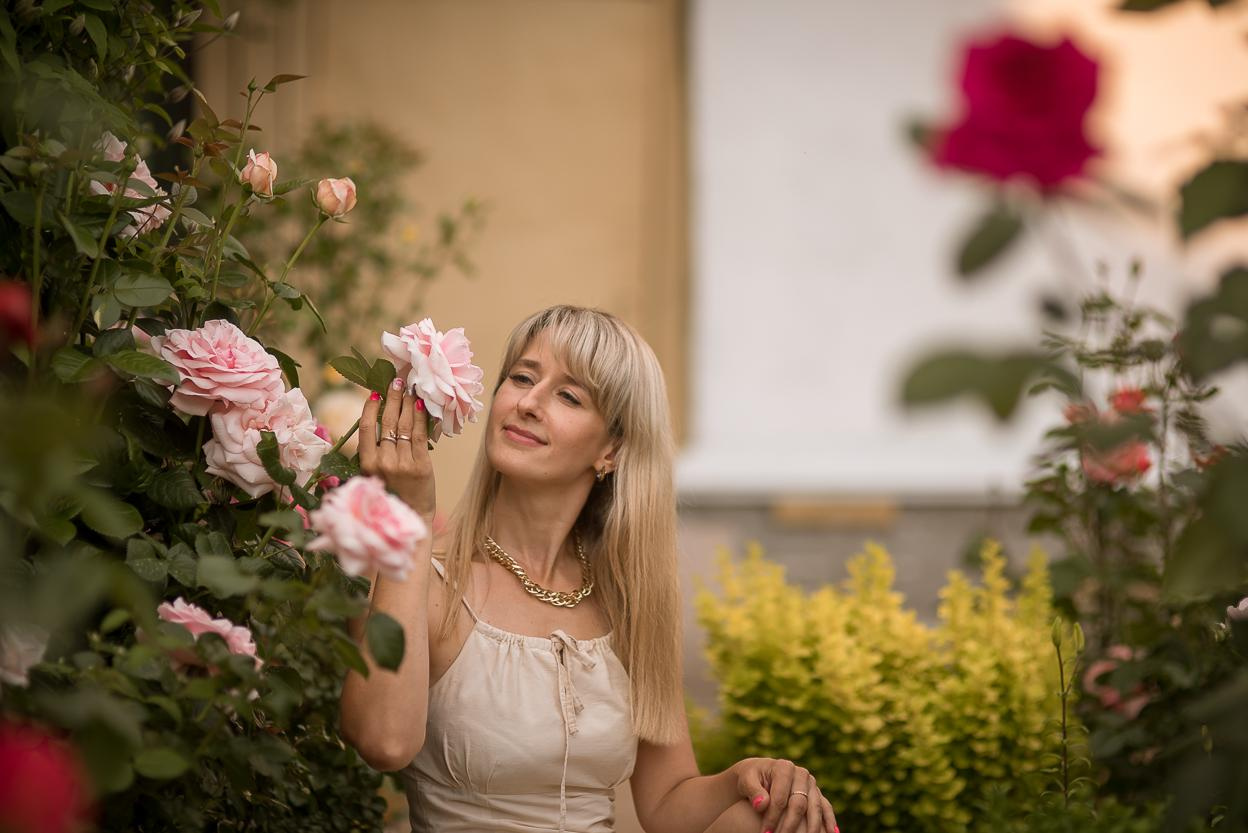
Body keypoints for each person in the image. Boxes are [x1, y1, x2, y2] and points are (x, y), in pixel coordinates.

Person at [340, 306, 839, 833]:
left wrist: (742, 778)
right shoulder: (425, 578)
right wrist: (410, 520)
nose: (528, 403)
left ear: (612, 450)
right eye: (522, 378)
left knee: (769, 821)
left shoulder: (626, 602)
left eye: (569, 396)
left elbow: (667, 802)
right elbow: (383, 742)